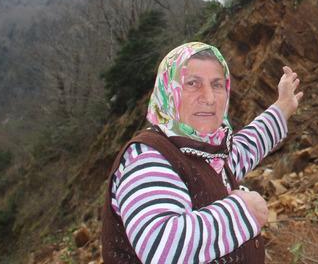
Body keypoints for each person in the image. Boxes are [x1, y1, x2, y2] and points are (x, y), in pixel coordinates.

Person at [101, 42, 302, 263]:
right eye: (193, 83)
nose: (209, 97)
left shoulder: (208, 152)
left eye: (217, 85)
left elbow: (247, 146)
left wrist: (282, 107)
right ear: (168, 91)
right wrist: (244, 212)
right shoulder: (148, 158)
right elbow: (161, 248)